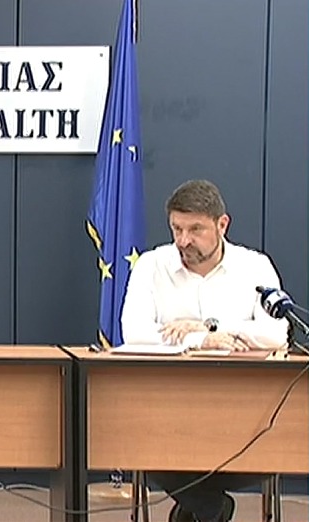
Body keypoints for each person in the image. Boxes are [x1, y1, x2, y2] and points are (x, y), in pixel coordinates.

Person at [120, 179, 287, 522]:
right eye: (177, 229)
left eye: (195, 229)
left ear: (222, 225)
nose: (184, 240)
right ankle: (210, 508)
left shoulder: (255, 267)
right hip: (166, 411)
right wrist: (197, 341)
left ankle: (198, 508)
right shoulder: (151, 265)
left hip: (241, 412)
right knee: (138, 439)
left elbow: (275, 333)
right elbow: (133, 333)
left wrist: (210, 326)